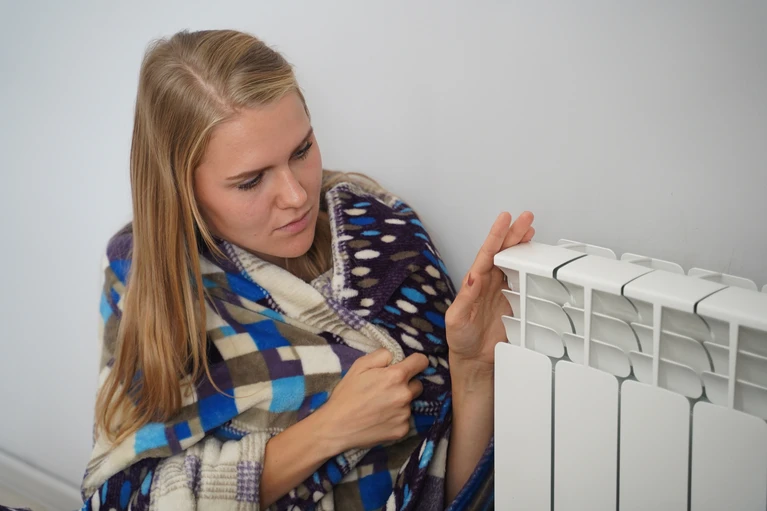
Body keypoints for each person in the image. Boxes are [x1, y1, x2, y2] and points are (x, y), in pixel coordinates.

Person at [77, 29, 535, 511]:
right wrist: (330, 430)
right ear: (181, 190)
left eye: (302, 150)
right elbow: (119, 498)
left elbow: (447, 490)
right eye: (251, 181)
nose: (296, 195)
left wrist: (473, 371)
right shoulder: (145, 276)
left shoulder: (385, 233)